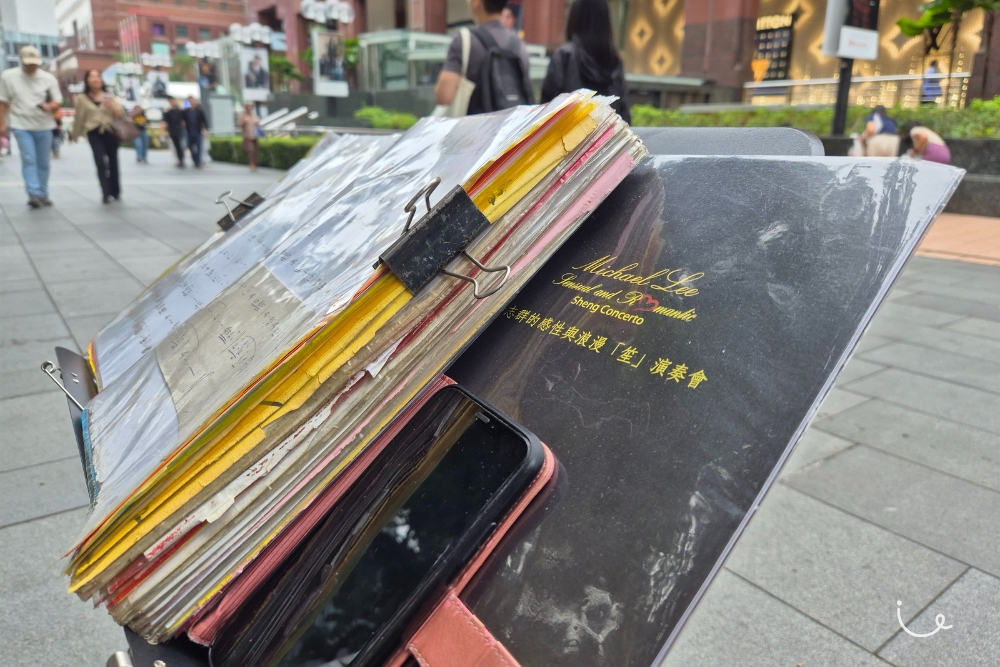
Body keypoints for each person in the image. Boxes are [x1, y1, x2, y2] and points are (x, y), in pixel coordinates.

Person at [435, 0, 532, 115]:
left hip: (474, 128)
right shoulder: (519, 45)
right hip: (511, 127)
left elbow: (444, 96)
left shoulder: (464, 40)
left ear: (477, 2)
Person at [541, 0, 630, 123]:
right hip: (609, 138)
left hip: (570, 137)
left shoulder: (564, 56)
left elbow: (546, 111)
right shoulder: (613, 60)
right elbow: (624, 113)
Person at [0, 46, 63, 208]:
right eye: (28, 63)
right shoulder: (8, 76)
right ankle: (33, 192)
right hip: (20, 123)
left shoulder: (48, 78)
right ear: (21, 60)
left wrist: (49, 106)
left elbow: (58, 100)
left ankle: (43, 192)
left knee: (43, 161)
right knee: (28, 158)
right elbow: (3, 102)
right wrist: (2, 124)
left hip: (44, 124)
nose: (31, 66)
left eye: (34, 63)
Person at [71, 68, 124, 203]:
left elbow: (119, 114)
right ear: (87, 81)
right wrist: (75, 134)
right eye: (92, 77)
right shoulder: (81, 98)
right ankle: (105, 193)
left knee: (113, 162)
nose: (96, 79)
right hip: (94, 132)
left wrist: (110, 105)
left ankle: (115, 191)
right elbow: (79, 117)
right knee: (100, 162)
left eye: (98, 76)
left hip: (110, 131)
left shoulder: (108, 95)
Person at [161, 96, 187, 167]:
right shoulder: (168, 112)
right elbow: (165, 123)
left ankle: (181, 159)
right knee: (176, 146)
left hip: (180, 131)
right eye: (170, 101)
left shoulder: (181, 111)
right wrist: (163, 132)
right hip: (172, 131)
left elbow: (184, 121)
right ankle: (180, 159)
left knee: (182, 145)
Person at [184, 96, 209, 168]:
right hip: (189, 132)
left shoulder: (199, 111)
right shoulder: (186, 112)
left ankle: (198, 161)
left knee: (199, 147)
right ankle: (194, 159)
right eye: (190, 101)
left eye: (193, 100)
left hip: (198, 131)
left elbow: (204, 121)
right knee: (191, 147)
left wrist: (205, 130)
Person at [237, 103, 261, 171]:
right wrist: (243, 121)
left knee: (256, 150)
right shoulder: (243, 115)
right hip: (247, 135)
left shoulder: (254, 115)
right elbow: (239, 124)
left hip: (255, 135)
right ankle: (251, 164)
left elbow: (258, 122)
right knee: (250, 150)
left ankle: (255, 163)